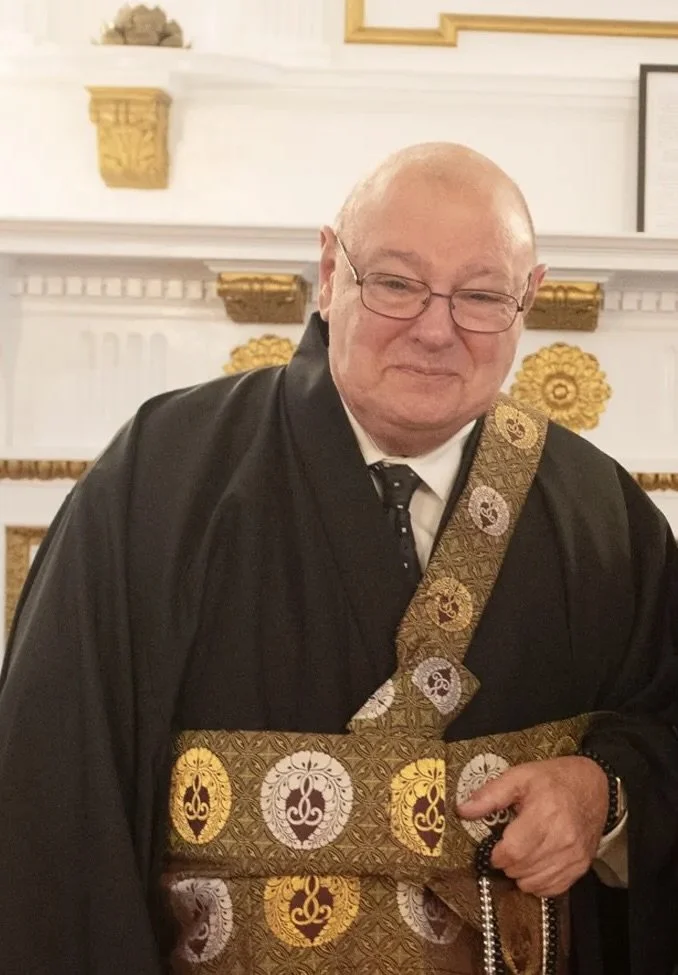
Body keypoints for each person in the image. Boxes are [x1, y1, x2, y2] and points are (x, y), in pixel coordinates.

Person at [1, 142, 677, 975]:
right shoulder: (156, 481)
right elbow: (53, 791)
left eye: (480, 295)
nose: (437, 329)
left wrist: (601, 793)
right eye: (396, 282)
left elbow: (667, 724)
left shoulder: (607, 519)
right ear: (330, 270)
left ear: (527, 300)